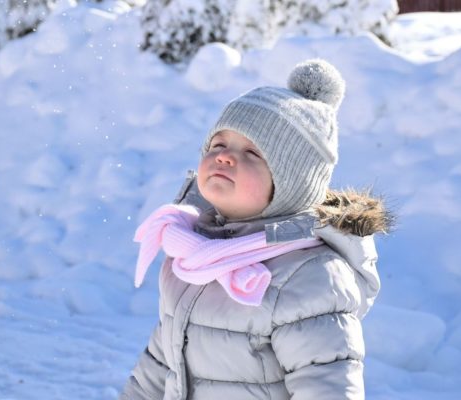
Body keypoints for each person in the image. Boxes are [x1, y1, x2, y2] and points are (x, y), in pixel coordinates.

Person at [122, 59, 390, 400]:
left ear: (291, 184)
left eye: (252, 153)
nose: (225, 157)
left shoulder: (308, 276)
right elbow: (161, 364)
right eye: (218, 145)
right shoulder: (192, 253)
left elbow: (327, 388)